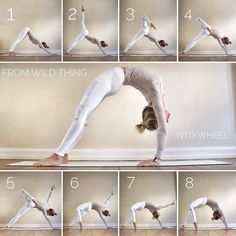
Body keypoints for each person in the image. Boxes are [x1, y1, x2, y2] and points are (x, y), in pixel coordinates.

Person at [34, 67, 170, 167]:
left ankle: (58, 156)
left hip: (113, 77)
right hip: (115, 79)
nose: (166, 118)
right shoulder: (159, 96)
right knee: (83, 116)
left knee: (81, 114)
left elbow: (163, 129)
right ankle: (64, 155)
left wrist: (157, 160)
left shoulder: (157, 96)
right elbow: (162, 123)